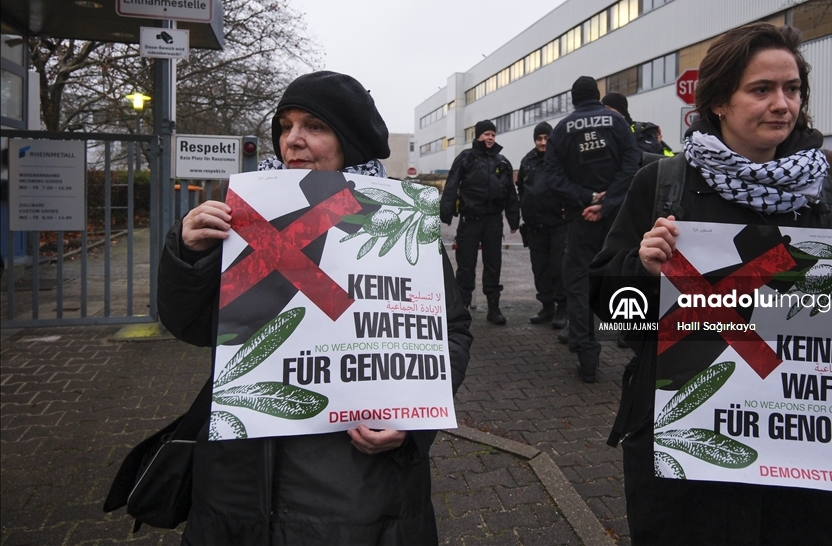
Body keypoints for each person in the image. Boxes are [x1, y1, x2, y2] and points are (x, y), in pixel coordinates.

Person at [591, 23, 832, 545]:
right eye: (761, 89)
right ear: (719, 100)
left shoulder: (828, 196)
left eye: (792, 89)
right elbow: (609, 313)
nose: (782, 104)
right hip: (688, 454)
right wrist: (642, 269)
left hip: (800, 458)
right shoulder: (662, 186)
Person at [157, 71, 473, 545]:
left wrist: (411, 423)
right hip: (238, 480)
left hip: (355, 490)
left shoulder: (398, 224)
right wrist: (189, 255)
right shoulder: (243, 215)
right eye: (285, 125)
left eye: (314, 127)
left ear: (349, 142)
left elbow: (449, 334)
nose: (293, 140)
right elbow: (192, 326)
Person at [545, 76, 641, 382]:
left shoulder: (562, 129)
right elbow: (632, 164)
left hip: (580, 218)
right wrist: (609, 201)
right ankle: (632, 342)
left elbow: (552, 176)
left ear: (573, 99)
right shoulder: (617, 122)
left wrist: (587, 199)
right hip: (618, 218)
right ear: (598, 96)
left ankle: (587, 353)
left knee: (579, 283)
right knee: (621, 277)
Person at [440, 120, 520, 324]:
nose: (490, 138)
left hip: (493, 221)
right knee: (466, 265)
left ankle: (494, 308)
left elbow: (511, 193)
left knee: (493, 264)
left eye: (493, 134)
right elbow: (451, 185)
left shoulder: (502, 162)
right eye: (486, 134)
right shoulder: (466, 158)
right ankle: (462, 309)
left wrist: (513, 219)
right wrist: (446, 214)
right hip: (470, 221)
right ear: (477, 136)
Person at [516, 121, 568, 330]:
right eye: (539, 139)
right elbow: (521, 188)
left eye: (547, 138)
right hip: (535, 226)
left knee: (559, 268)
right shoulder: (527, 161)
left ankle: (562, 309)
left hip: (558, 225)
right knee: (540, 269)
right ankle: (547, 307)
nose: (543, 142)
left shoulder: (562, 159)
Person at [601, 92, 675, 157]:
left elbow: (668, 162)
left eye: (608, 109)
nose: (604, 113)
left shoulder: (644, 133)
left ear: (620, 111)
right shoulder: (602, 132)